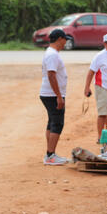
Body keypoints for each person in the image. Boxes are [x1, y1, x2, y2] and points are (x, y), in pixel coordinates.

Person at [40, 29, 71, 165]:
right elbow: (51, 75)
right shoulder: (52, 55)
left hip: (49, 93)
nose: (65, 43)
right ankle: (50, 155)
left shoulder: (51, 53)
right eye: (65, 39)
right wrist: (59, 96)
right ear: (59, 39)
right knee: (57, 123)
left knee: (52, 122)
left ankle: (50, 153)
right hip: (52, 94)